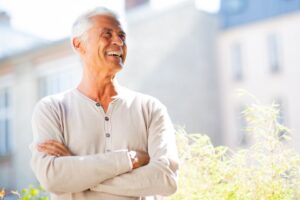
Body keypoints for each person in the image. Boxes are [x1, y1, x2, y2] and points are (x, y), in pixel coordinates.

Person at [30, 7, 179, 200]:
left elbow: (166, 179)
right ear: (79, 45)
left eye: (122, 35)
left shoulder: (150, 108)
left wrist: (79, 173)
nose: (118, 42)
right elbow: (52, 177)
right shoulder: (51, 109)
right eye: (107, 34)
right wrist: (128, 160)